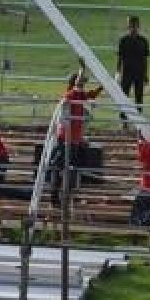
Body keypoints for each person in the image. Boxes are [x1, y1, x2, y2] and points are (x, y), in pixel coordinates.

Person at [49, 69, 103, 201]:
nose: (83, 86)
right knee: (60, 166)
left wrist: (102, 87)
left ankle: (66, 195)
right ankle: (56, 195)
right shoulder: (70, 95)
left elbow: (91, 94)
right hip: (66, 139)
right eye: (82, 83)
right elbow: (64, 118)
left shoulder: (78, 95)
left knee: (70, 167)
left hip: (73, 139)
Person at [116, 16, 150, 116]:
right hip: (126, 73)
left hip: (139, 74)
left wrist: (146, 75)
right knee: (124, 97)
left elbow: (145, 59)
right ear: (128, 26)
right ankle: (124, 121)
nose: (132, 28)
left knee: (139, 98)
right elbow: (120, 57)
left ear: (138, 26)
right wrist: (118, 72)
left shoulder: (144, 41)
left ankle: (139, 121)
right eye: (130, 26)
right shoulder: (123, 40)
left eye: (134, 26)